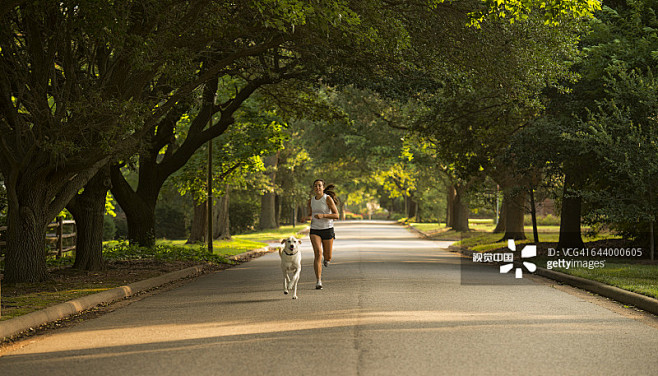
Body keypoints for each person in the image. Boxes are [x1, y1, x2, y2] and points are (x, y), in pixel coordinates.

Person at [302, 179, 339, 290]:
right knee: (318, 253)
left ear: (323, 188)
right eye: (315, 186)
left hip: (327, 229)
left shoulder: (327, 199)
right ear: (313, 188)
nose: (317, 188)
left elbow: (336, 215)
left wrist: (323, 216)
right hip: (315, 230)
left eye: (319, 186)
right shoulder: (311, 201)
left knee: (327, 256)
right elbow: (311, 215)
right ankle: (318, 280)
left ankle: (326, 260)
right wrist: (306, 218)